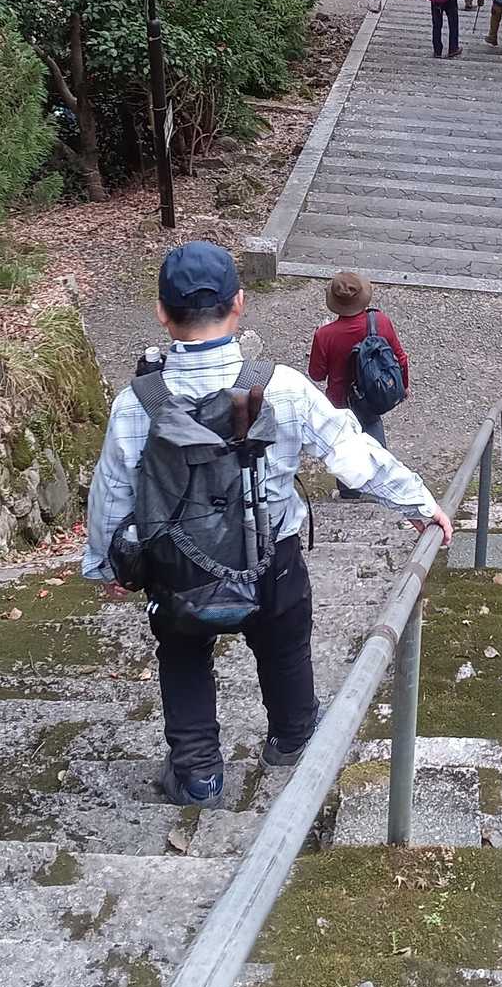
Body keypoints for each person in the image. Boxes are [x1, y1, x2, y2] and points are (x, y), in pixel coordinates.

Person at [83, 243, 452, 802]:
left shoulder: (137, 402)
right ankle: (292, 739)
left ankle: (198, 775)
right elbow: (351, 452)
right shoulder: (279, 385)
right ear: (239, 303)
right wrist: (418, 505)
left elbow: (113, 489)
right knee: (284, 645)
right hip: (270, 558)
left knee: (183, 657)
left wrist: (108, 564)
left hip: (176, 565)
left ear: (161, 312)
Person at [309, 270, 409, 501]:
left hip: (340, 400)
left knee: (343, 446)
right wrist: (403, 386)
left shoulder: (325, 334)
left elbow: (317, 374)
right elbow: (401, 358)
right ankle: (382, 489)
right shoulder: (380, 322)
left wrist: (319, 337)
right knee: (374, 435)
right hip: (373, 393)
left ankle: (349, 494)